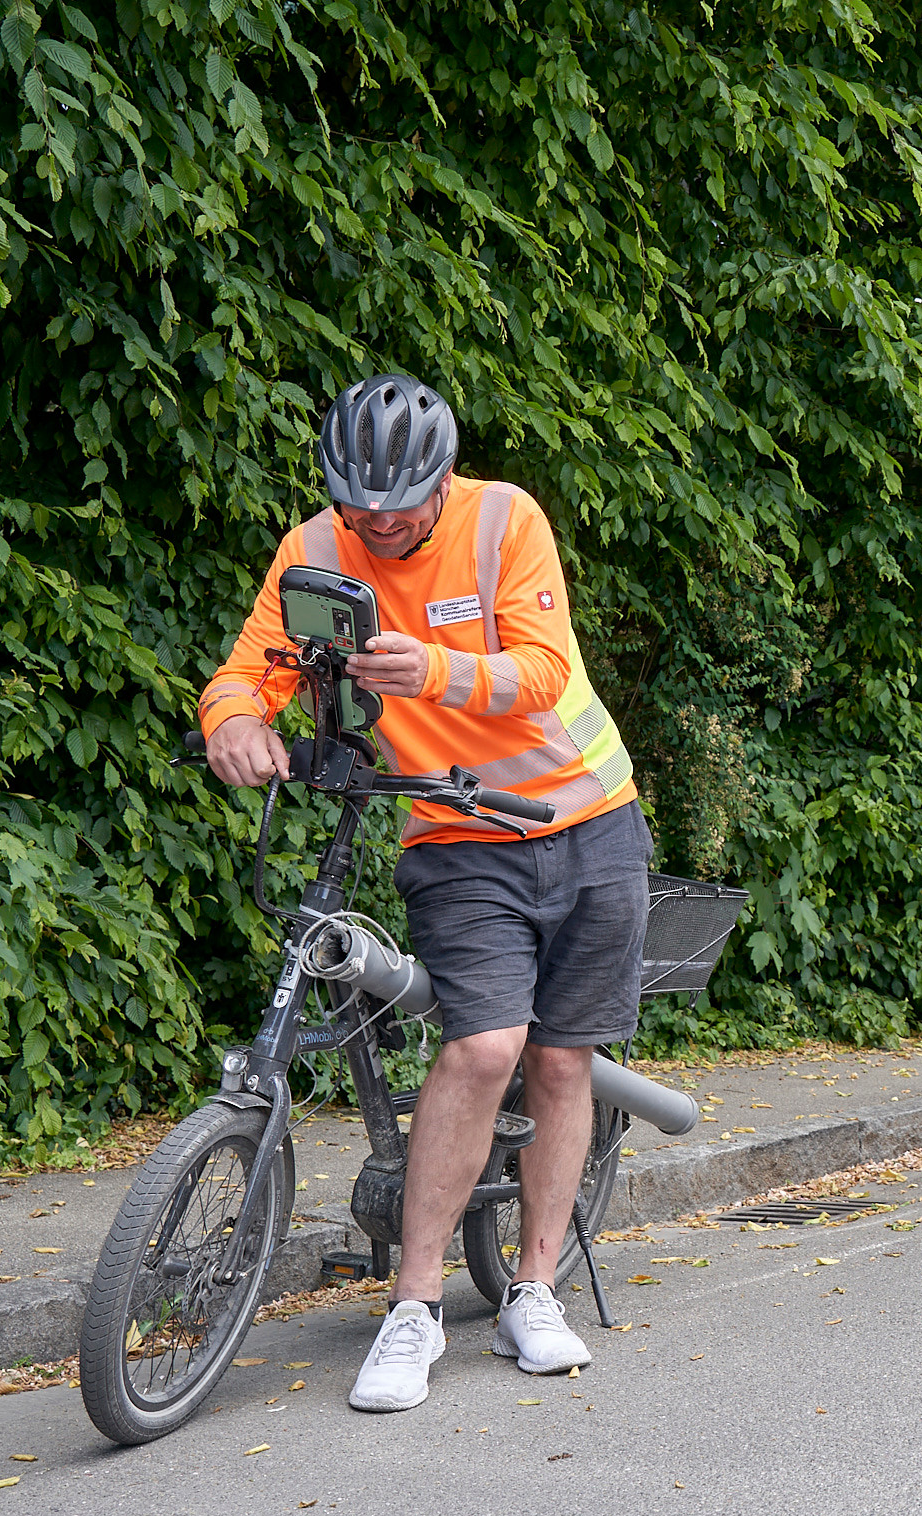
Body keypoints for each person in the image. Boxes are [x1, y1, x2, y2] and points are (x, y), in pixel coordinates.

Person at [198, 373, 651, 1411]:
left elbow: (541, 670)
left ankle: (535, 1288)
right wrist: (233, 719)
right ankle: (412, 1307)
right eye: (359, 504)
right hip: (455, 832)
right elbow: (249, 670)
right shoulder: (314, 549)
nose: (381, 524)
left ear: (443, 477)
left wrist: (435, 672)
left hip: (588, 817)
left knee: (562, 1057)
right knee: (484, 1045)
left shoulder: (504, 522)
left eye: (399, 505)